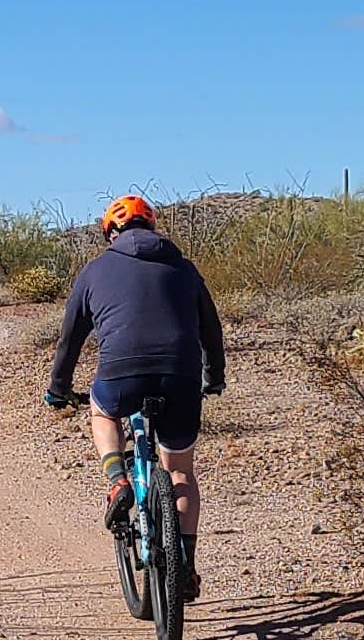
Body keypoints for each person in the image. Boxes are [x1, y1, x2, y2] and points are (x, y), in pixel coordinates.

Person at [42, 193, 227, 596]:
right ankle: (186, 567)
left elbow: (69, 340)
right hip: (180, 376)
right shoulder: (184, 268)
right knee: (179, 471)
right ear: (153, 228)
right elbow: (211, 331)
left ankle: (117, 481)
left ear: (111, 232)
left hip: (121, 374)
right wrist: (213, 377)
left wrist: (58, 388)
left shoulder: (94, 271)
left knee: (102, 408)